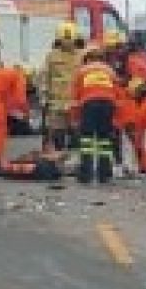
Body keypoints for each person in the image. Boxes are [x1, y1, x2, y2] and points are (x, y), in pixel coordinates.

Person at [71, 47, 123, 183]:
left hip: (89, 104)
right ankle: (104, 174)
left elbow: (75, 97)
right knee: (104, 140)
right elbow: (119, 94)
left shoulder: (82, 72)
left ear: (86, 58)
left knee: (87, 140)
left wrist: (75, 119)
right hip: (108, 105)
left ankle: (85, 175)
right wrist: (117, 118)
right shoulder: (110, 71)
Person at [42, 22, 82, 151]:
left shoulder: (82, 56)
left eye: (70, 40)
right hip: (57, 103)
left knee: (76, 134)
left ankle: (74, 160)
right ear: (59, 39)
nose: (68, 43)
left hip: (75, 103)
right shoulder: (51, 56)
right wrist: (43, 97)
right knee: (58, 134)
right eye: (65, 40)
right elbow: (44, 77)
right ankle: (59, 158)